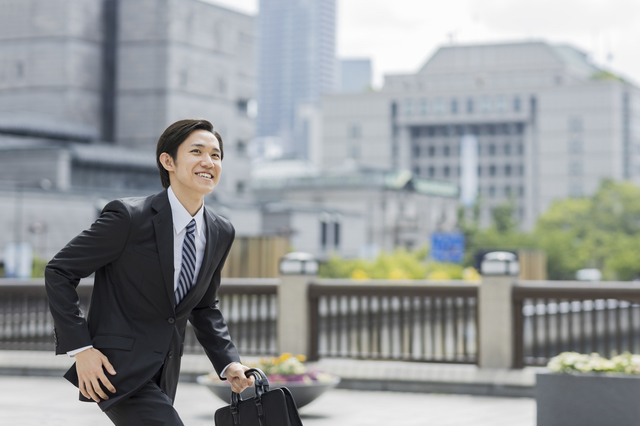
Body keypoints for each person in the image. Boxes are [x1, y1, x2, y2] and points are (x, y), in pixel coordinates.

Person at [45, 119, 254, 425]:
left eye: (216, 155)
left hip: (165, 370)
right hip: (117, 370)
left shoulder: (221, 230)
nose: (208, 162)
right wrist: (81, 349)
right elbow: (59, 271)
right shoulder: (129, 218)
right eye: (197, 151)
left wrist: (229, 363)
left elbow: (204, 306)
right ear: (168, 161)